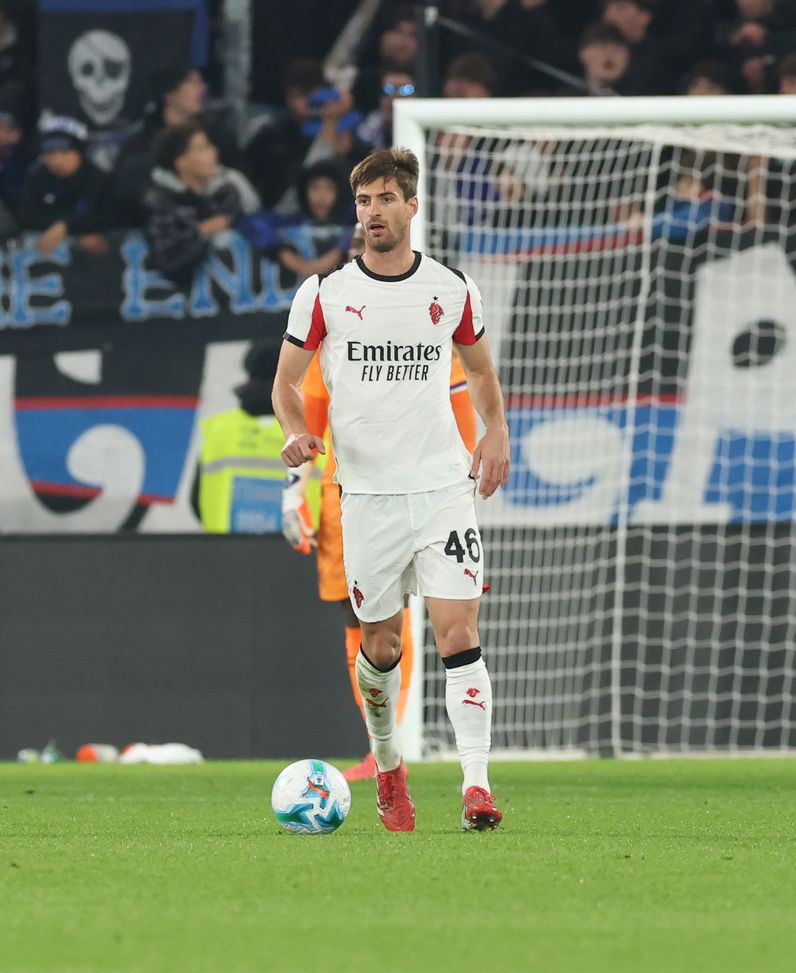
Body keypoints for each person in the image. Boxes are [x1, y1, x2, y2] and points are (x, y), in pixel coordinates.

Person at [272, 147, 510, 832]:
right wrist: (293, 435)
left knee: (458, 630)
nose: (373, 212)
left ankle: (476, 785)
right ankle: (387, 767)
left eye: (384, 199)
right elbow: (286, 385)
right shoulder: (325, 294)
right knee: (379, 647)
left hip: (441, 487)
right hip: (367, 495)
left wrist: (495, 432)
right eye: (364, 201)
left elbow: (483, 374)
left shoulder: (452, 288)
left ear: (412, 206)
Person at [283, 222, 480, 783]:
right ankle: (380, 749)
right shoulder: (332, 314)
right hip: (349, 488)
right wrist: (294, 490)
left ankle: (398, 751)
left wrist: (463, 481)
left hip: (427, 486)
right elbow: (308, 409)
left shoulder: (430, 313)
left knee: (422, 614)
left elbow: (462, 404)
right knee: (364, 617)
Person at [193, 341, 293, 534]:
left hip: (226, 556)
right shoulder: (314, 434)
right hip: (295, 558)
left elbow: (197, 500)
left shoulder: (219, 430)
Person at [145, 120, 260, 288]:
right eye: (202, 148)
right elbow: (169, 263)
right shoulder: (160, 203)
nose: (214, 151)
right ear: (180, 161)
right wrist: (201, 232)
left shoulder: (225, 192)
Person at [18, 114, 112, 256]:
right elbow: (26, 216)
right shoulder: (37, 177)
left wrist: (66, 227)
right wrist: (61, 226)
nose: (57, 160)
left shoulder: (97, 178)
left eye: (64, 152)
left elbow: (105, 216)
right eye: (49, 153)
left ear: (80, 152)